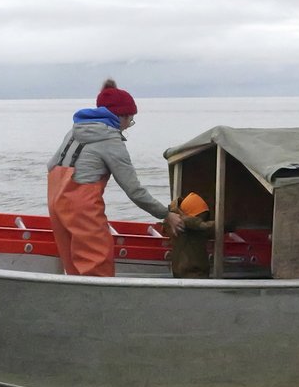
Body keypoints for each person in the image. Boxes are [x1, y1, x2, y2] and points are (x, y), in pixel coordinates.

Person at [46, 79, 184, 276]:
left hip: (55, 199)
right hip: (81, 206)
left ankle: (77, 300)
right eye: (130, 120)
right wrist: (166, 214)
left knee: (73, 263)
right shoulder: (111, 140)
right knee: (96, 262)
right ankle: (100, 303)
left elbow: (52, 165)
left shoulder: (76, 130)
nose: (128, 126)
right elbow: (134, 190)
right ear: (121, 116)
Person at [163, 192, 215, 279]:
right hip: (192, 272)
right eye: (201, 216)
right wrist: (221, 224)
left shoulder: (177, 222)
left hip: (182, 271)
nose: (203, 219)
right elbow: (201, 226)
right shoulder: (186, 224)